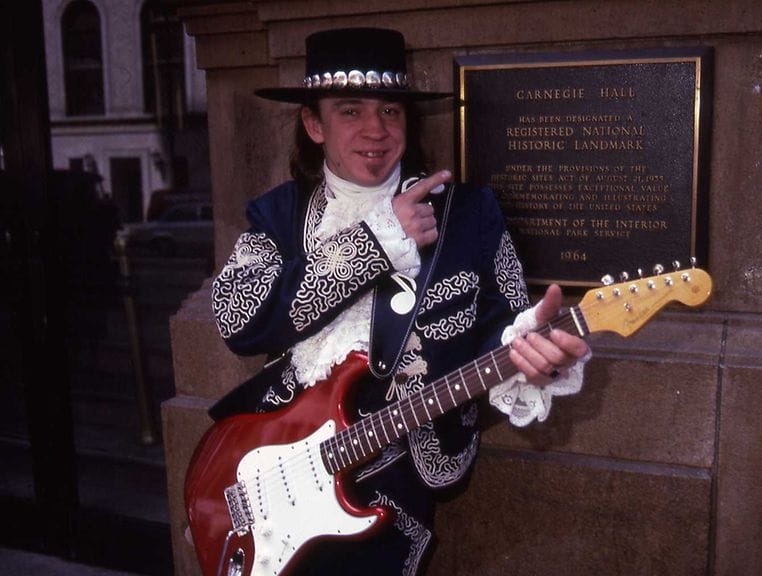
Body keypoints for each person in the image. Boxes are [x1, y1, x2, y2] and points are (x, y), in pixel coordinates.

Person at [209, 28, 590, 575]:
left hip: (393, 485)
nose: (376, 130)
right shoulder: (278, 216)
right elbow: (238, 319)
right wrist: (377, 242)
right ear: (313, 124)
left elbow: (505, 324)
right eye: (350, 111)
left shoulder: (469, 215)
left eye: (390, 110)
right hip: (272, 471)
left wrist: (531, 354)